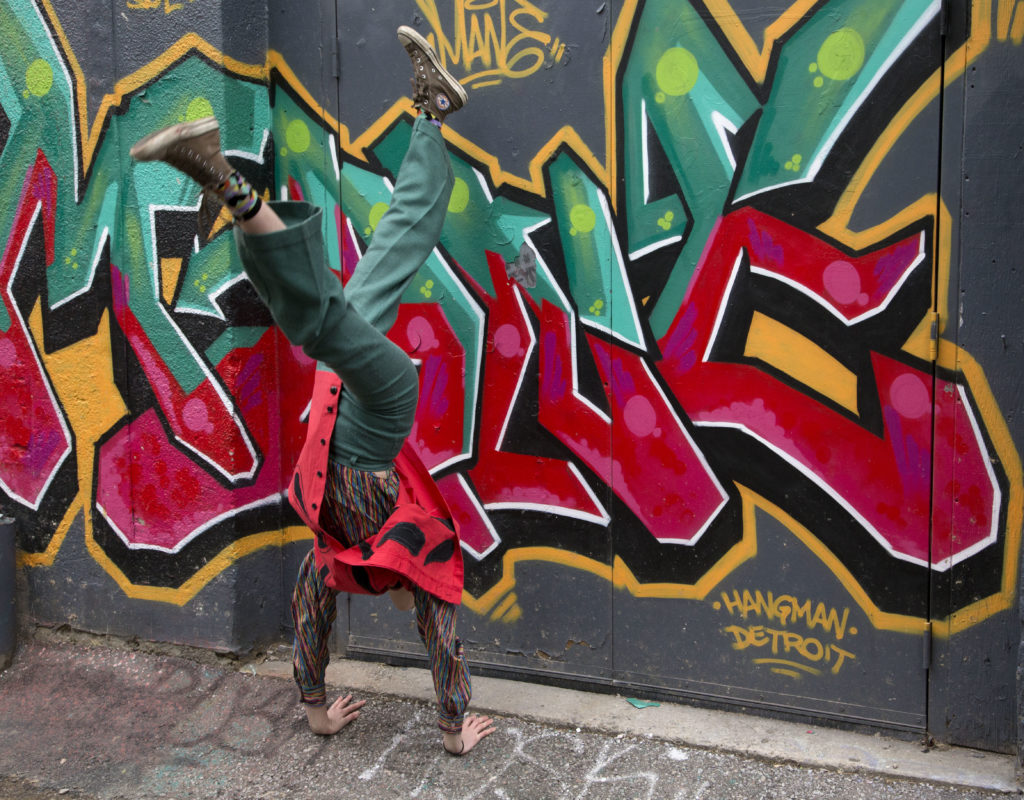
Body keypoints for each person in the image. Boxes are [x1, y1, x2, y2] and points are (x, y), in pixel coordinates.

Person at [130, 26, 494, 756]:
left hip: (353, 416)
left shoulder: (333, 552)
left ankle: (232, 182)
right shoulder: (352, 549)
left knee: (363, 284)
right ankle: (247, 180)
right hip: (368, 412)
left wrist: (321, 708)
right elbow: (398, 614)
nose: (390, 572)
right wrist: (437, 725)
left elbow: (344, 614)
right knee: (350, 297)